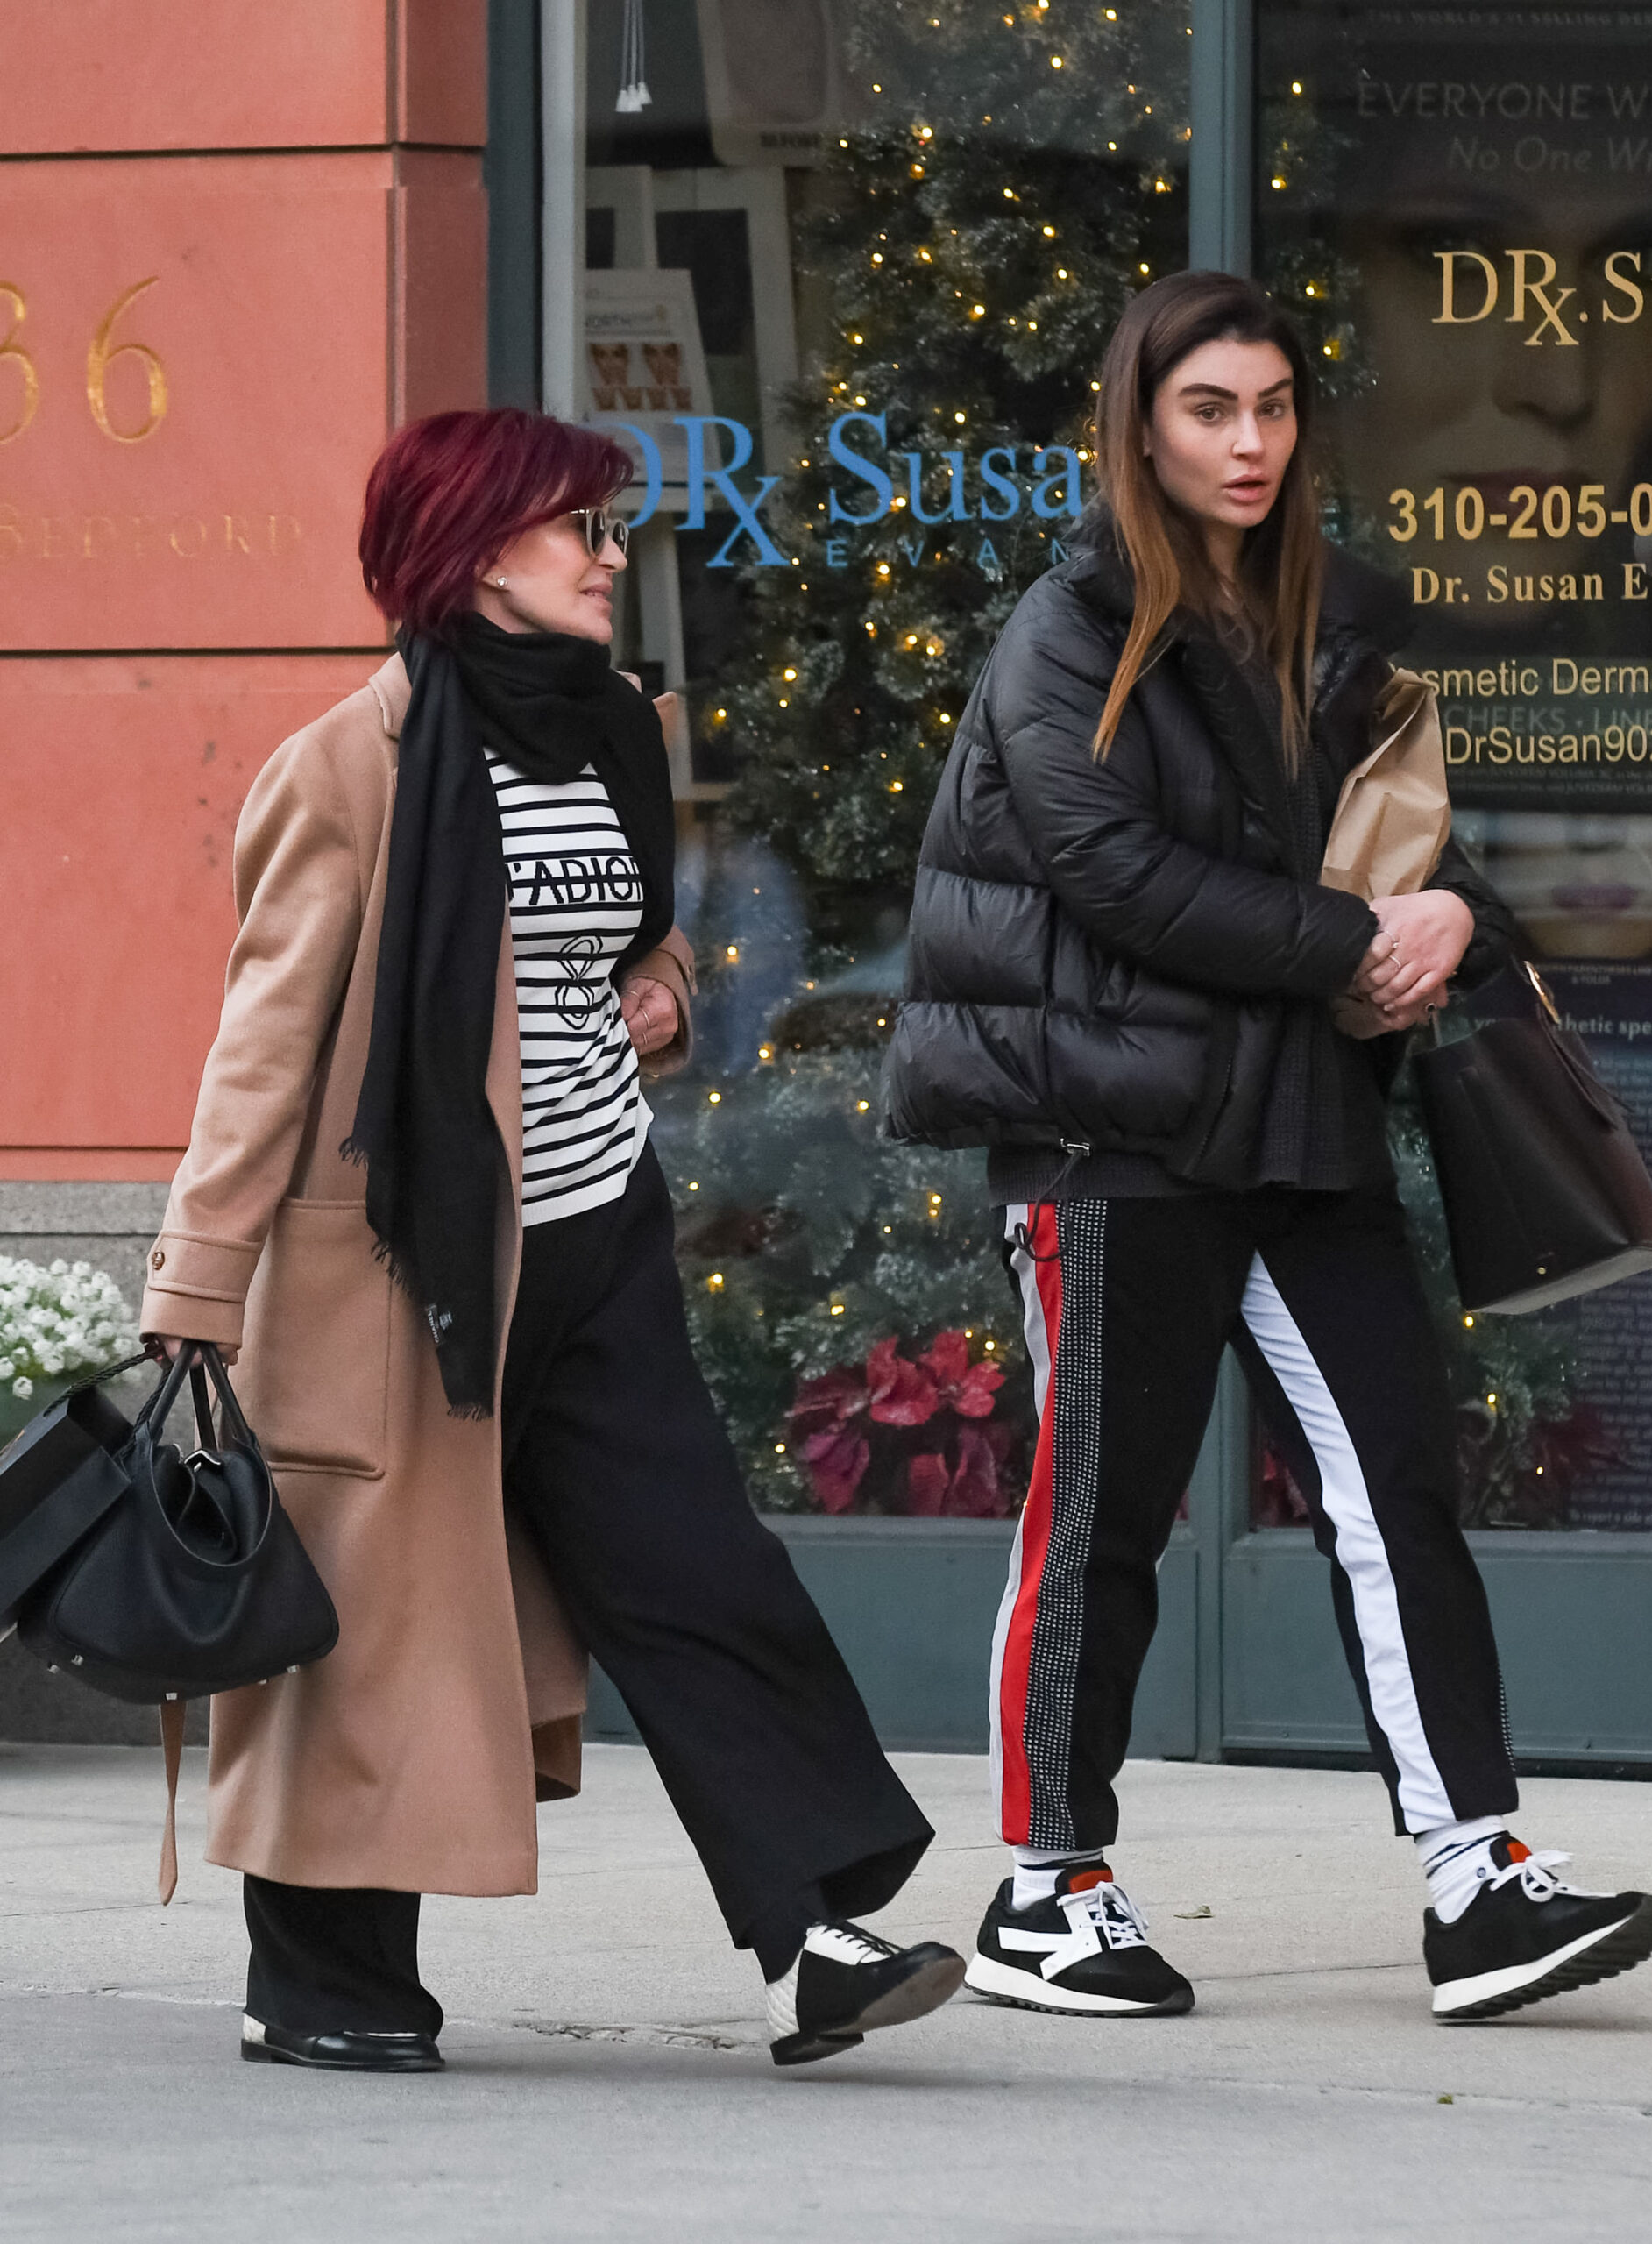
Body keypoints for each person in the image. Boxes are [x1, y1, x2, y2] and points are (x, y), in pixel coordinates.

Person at [882, 272, 1652, 2025]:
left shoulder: (1330, 616)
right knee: (1100, 1521)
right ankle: (1045, 1886)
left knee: (1398, 1490)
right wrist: (1356, 947)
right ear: (1140, 429)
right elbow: (1117, 875)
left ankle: (1475, 1876)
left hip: (1298, 1124)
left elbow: (1397, 851)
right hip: (1114, 1132)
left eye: (1273, 408)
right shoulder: (1070, 629)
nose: (1247, 442)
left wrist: (1451, 917)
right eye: (1207, 411)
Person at [139, 407, 962, 2073]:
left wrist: (653, 989)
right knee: (368, 1629)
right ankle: (321, 1987)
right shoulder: (350, 770)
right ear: (470, 552)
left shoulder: (607, 730)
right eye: (576, 530)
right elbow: (265, 1043)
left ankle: (812, 1933)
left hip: (592, 1237)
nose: (608, 556)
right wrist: (196, 1287)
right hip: (401, 1264)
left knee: (698, 1571)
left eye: (607, 525)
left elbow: (624, 935)